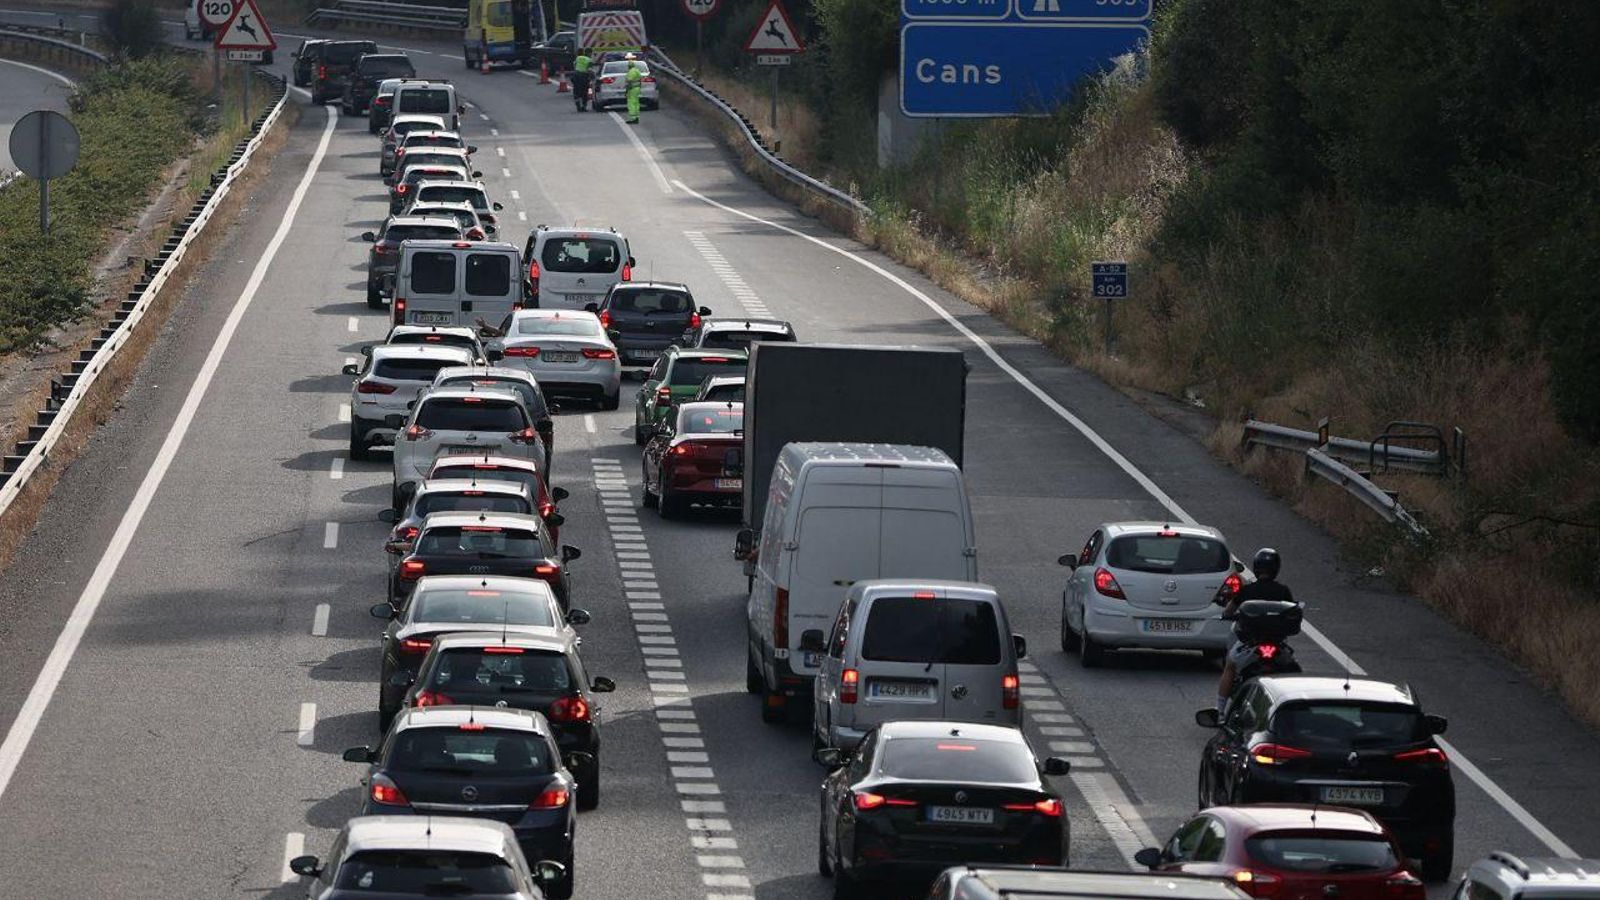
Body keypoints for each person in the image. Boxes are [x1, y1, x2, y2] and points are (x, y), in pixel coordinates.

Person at [1215, 547, 1296, 711]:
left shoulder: (1247, 590)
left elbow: (1228, 611)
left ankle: (1220, 709)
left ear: (1256, 567)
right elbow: (1292, 612)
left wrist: (1227, 615)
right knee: (1293, 670)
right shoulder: (1283, 591)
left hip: (1251, 644)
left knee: (1230, 666)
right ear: (1276, 568)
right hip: (1277, 644)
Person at [623, 53, 643, 124]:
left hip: (632, 89)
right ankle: (636, 116)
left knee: (631, 103)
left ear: (629, 66)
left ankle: (632, 118)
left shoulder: (631, 72)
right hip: (637, 88)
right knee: (636, 103)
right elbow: (640, 79)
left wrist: (626, 91)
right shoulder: (637, 70)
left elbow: (629, 81)